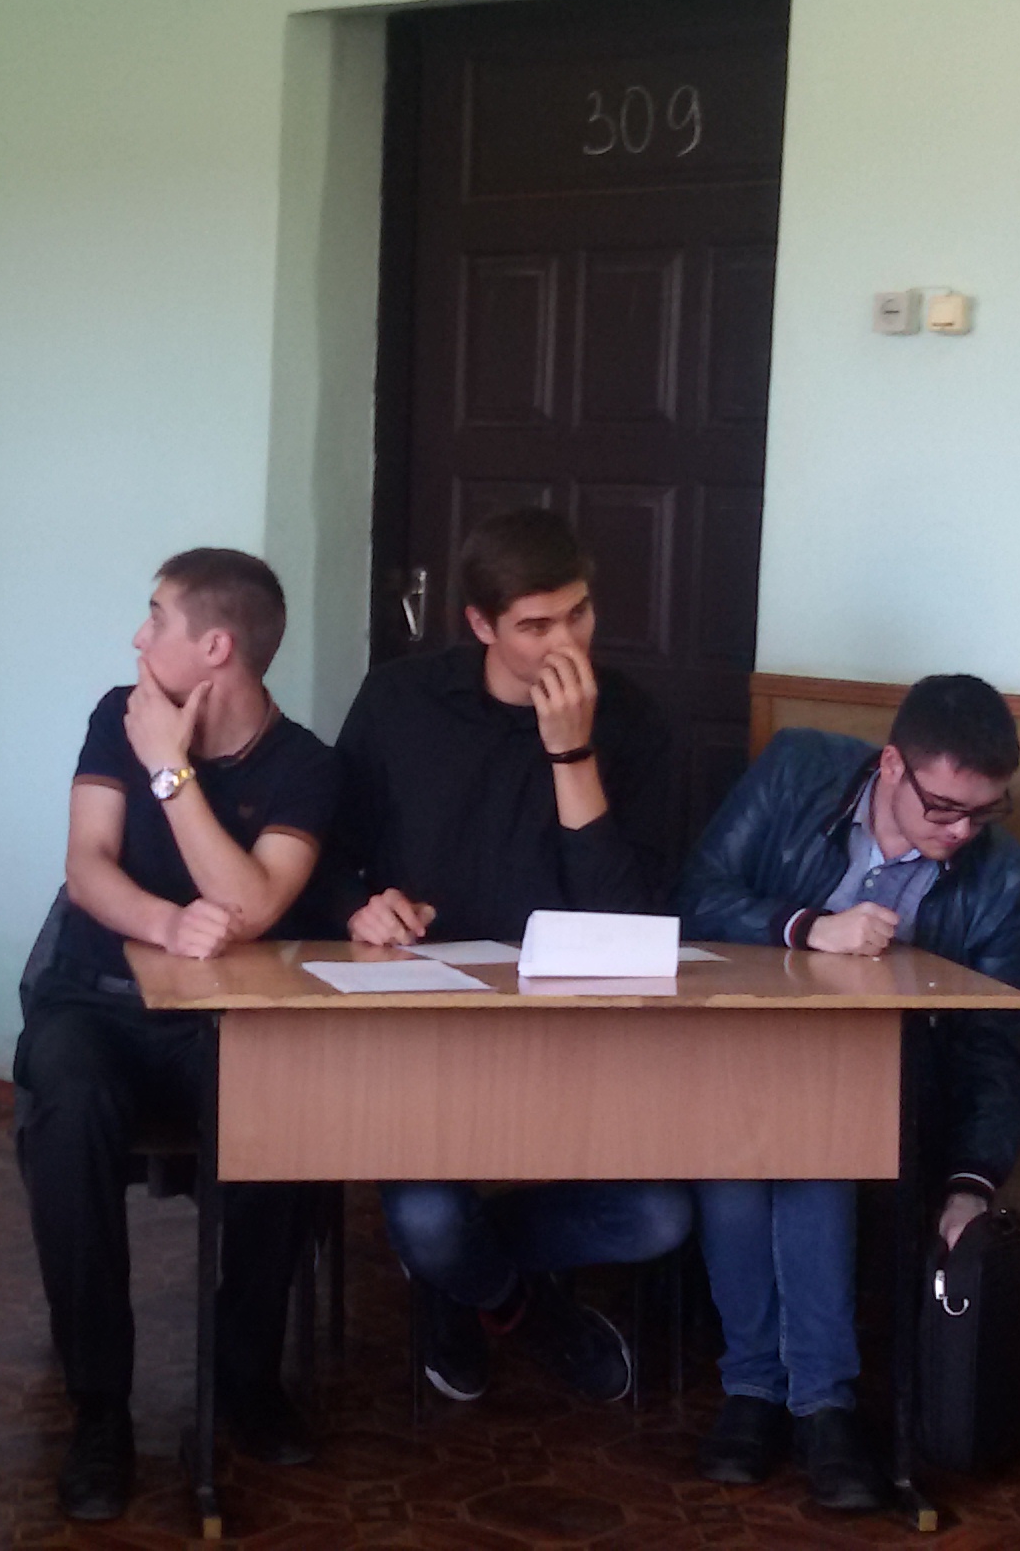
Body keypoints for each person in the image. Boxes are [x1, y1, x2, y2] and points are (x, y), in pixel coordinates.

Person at [333, 507, 691, 1408]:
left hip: (573, 1030)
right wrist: (357, 904)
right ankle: (512, 1304)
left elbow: (628, 918)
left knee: (657, 1216)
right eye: (535, 625)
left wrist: (572, 750)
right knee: (426, 1216)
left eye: (579, 614)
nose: (565, 642)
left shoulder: (635, 721)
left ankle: (456, 1274)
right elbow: (329, 847)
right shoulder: (400, 701)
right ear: (481, 624)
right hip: (427, 1023)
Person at [15, 549, 339, 1521]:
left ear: (215, 647)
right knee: (67, 1108)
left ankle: (245, 1378)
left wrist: (171, 770)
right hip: (95, 1003)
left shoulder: (305, 766)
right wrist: (166, 923)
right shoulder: (115, 714)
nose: (137, 635)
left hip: (220, 1022)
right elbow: (87, 867)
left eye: (155, 617)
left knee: (289, 1112)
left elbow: (253, 903)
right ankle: (99, 1408)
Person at [672, 673, 1020, 1511]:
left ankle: (820, 1403)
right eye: (943, 807)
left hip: (886, 1090)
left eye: (984, 812)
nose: (960, 831)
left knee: (819, 1146)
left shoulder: (1005, 876)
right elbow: (694, 897)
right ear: (891, 766)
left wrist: (973, 1181)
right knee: (736, 1148)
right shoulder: (797, 771)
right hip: (734, 1054)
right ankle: (759, 1390)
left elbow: (996, 1046)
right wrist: (805, 927)